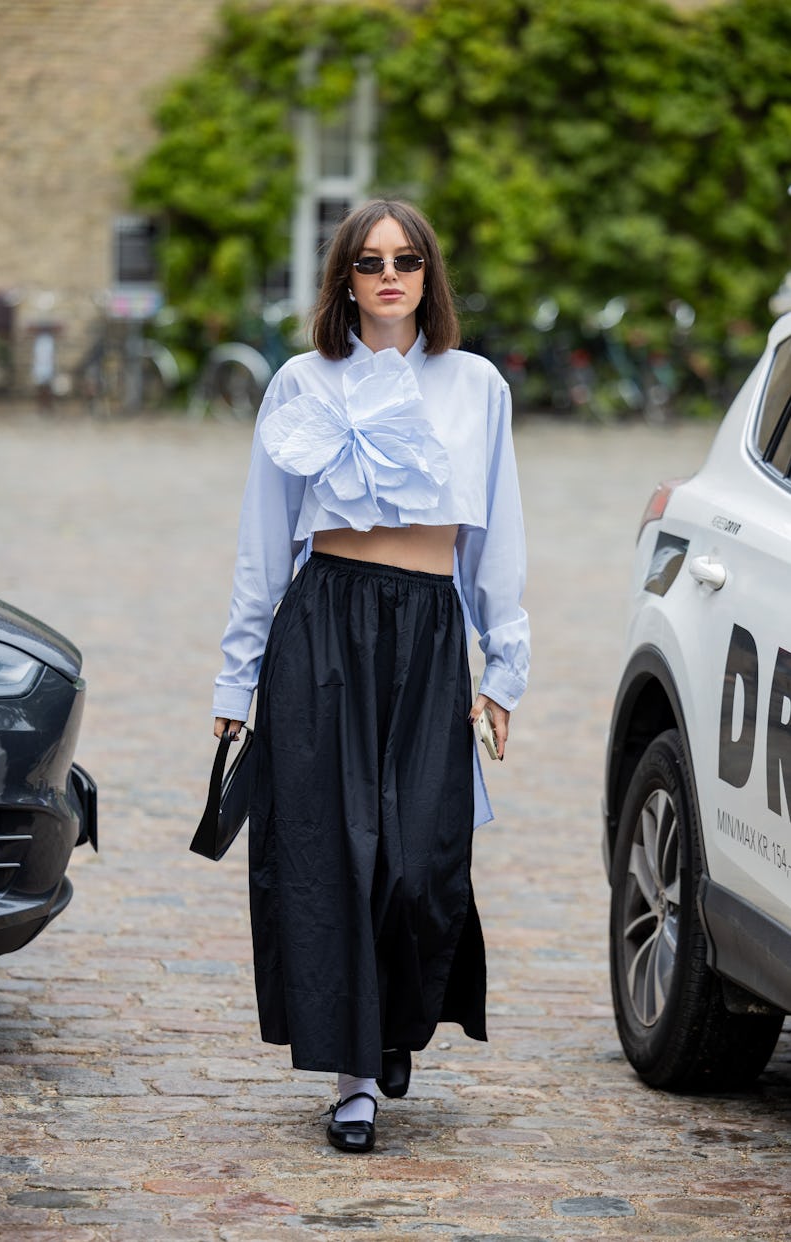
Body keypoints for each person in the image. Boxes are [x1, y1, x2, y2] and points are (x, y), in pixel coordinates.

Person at [212, 199, 529, 1153]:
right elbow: (263, 547)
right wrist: (237, 689)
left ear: (429, 276)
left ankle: (396, 1026)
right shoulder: (301, 385)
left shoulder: (476, 387)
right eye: (369, 261)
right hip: (323, 631)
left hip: (431, 632)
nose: (390, 275)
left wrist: (503, 670)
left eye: (407, 260)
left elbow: (497, 538)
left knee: (420, 860)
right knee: (334, 857)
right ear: (344, 279)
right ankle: (355, 1078)